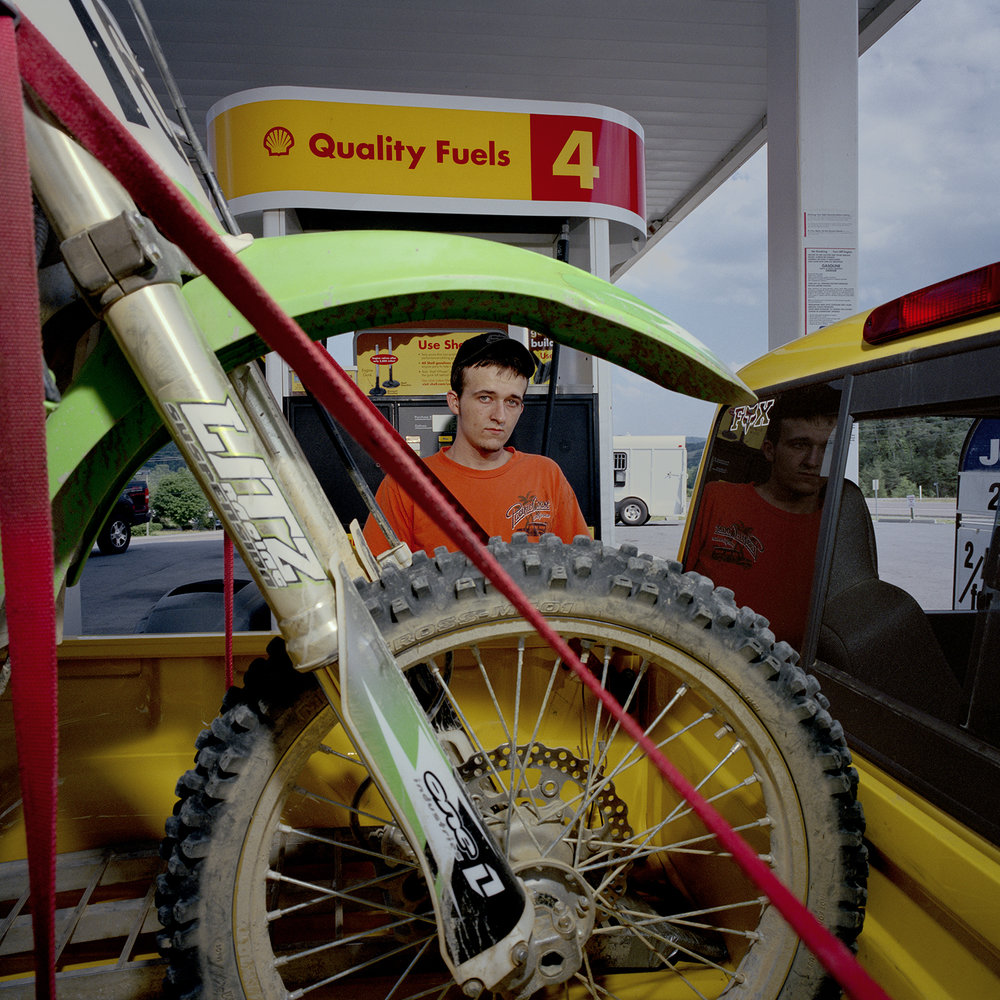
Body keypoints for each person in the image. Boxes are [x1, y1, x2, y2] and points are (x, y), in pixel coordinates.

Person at [362, 332, 588, 556]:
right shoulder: (405, 485)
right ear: (455, 402)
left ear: (521, 409)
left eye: (511, 401)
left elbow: (580, 568)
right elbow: (380, 584)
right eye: (485, 398)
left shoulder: (546, 475)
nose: (500, 416)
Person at [683, 386, 840, 651]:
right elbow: (681, 588)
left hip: (792, 680)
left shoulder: (839, 525)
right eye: (799, 445)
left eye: (827, 448)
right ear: (769, 450)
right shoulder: (718, 498)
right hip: (709, 663)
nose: (813, 461)